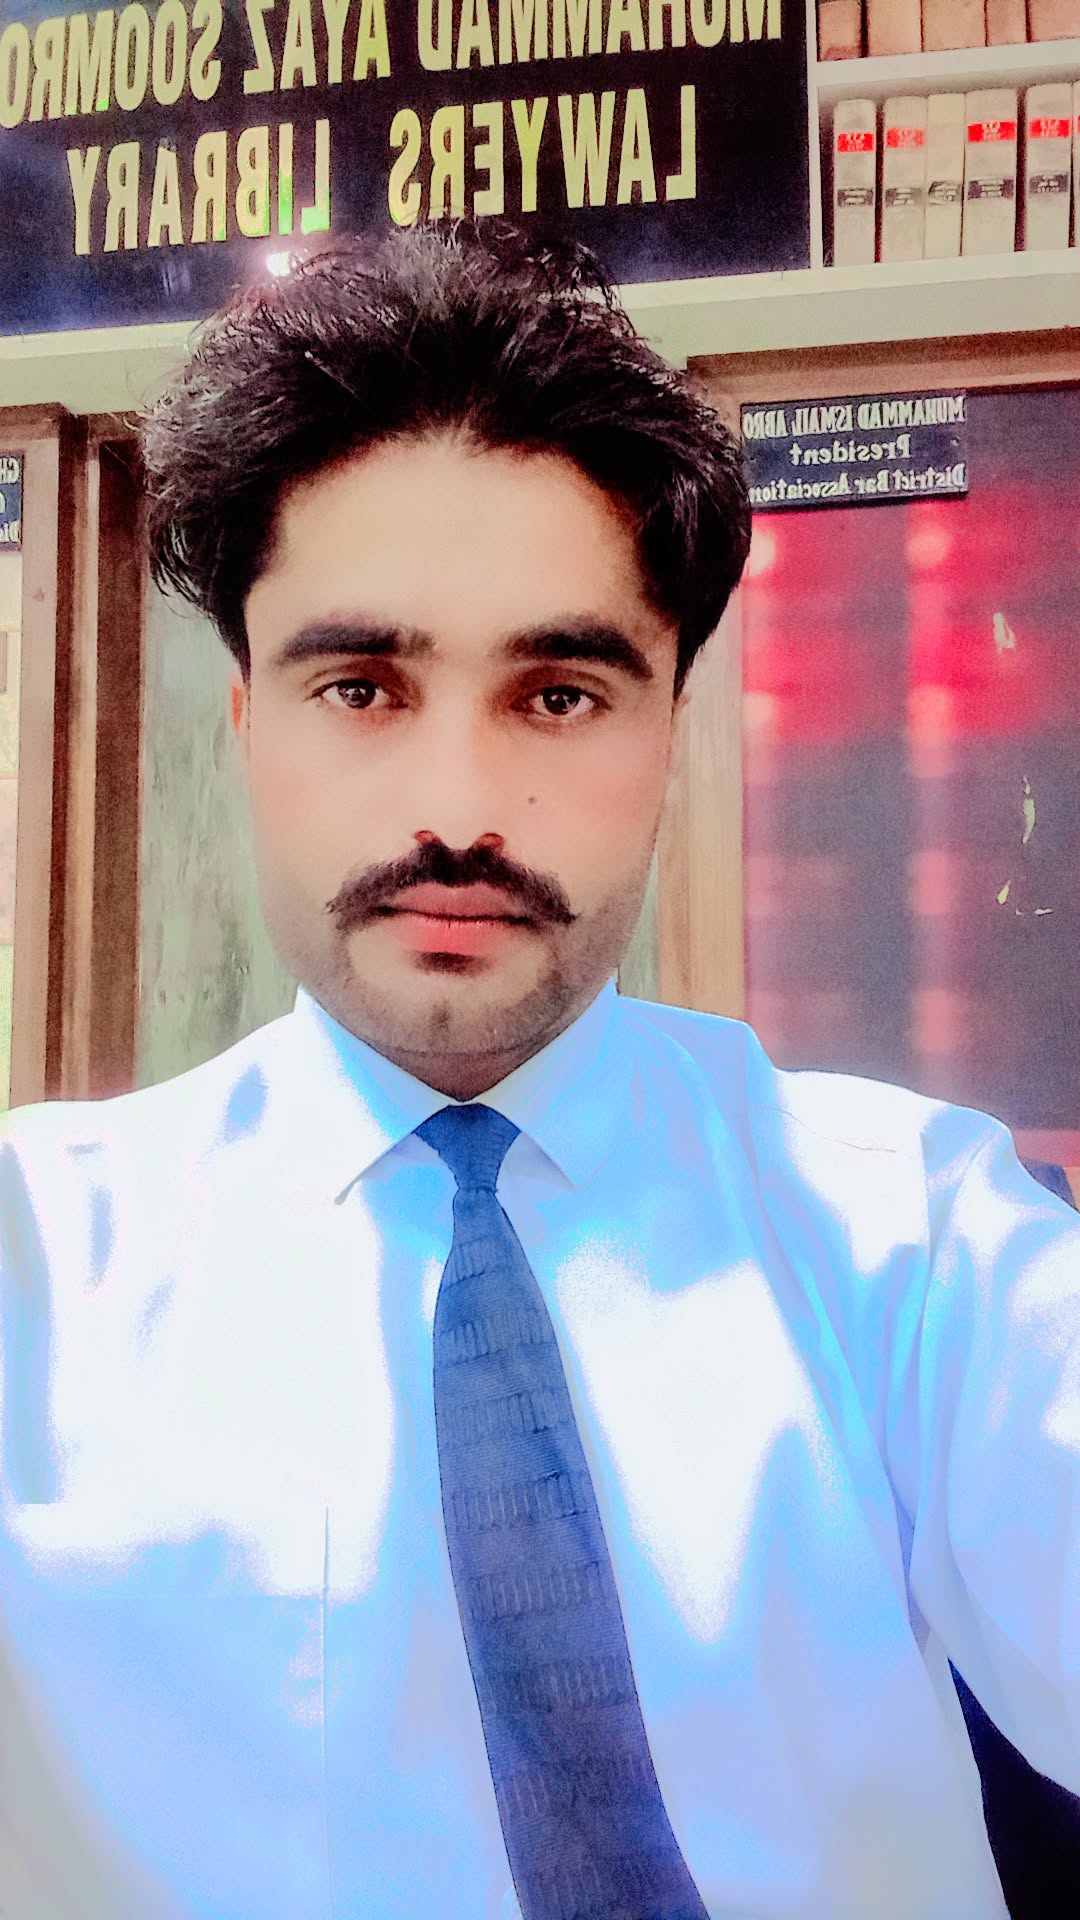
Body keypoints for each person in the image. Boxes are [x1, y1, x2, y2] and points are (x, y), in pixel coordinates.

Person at [1, 220, 1077, 1920]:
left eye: (561, 695)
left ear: (672, 731)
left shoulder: (918, 1248)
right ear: (247, 727)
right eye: (361, 686)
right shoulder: (35, 1275)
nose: (456, 809)